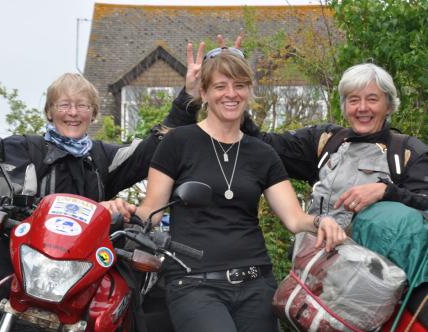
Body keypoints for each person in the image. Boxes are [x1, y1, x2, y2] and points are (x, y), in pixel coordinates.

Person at [0, 73, 196, 332]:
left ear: (93, 113)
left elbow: (152, 150)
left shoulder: (100, 157)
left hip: (80, 269)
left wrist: (188, 97)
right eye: (64, 105)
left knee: (120, 306)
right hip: (19, 256)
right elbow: (5, 194)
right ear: (49, 111)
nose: (73, 112)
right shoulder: (21, 148)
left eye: (82, 105)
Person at [135, 47, 346, 332]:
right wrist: (120, 212)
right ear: (205, 93)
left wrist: (323, 221)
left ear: (249, 91)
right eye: (220, 86)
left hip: (255, 283)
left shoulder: (262, 153)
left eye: (239, 86)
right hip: (194, 283)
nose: (230, 94)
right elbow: (152, 211)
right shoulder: (178, 143)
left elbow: (295, 219)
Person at [173, 43, 428, 228]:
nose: (362, 108)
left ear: (389, 105)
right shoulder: (326, 141)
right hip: (316, 272)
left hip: (378, 283)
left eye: (372, 99)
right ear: (344, 106)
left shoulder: (407, 152)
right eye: (353, 100)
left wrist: (386, 192)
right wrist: (232, 96)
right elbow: (262, 146)